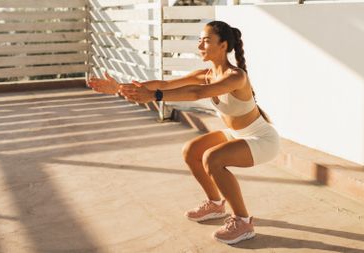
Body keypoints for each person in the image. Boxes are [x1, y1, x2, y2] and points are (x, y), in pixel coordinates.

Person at [88, 20, 280, 245]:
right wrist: (120, 87)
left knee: (213, 158)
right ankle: (216, 205)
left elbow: (197, 93)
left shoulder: (235, 77)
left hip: (261, 139)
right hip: (236, 134)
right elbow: (165, 84)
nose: (200, 45)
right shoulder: (205, 74)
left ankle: (243, 222)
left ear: (223, 45)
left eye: (206, 40)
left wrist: (155, 97)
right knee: (192, 150)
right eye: (199, 40)